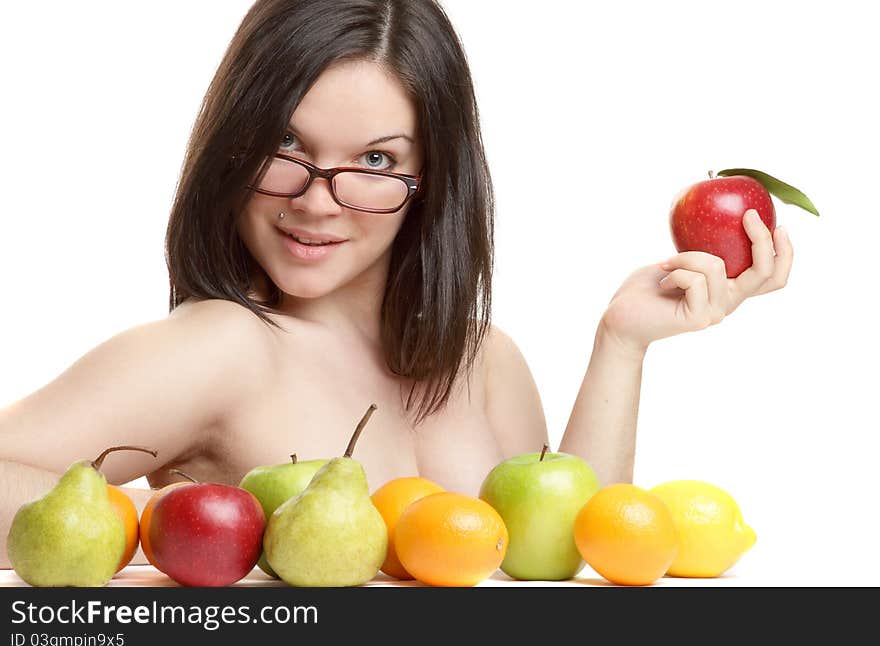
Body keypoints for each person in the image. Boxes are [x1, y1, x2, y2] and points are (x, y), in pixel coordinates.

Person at [0, 0, 792, 569]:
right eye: (284, 142)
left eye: (375, 160)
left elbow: (579, 553)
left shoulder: (484, 361)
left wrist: (622, 344)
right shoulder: (223, 345)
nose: (316, 199)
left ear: (431, 177)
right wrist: (175, 522)